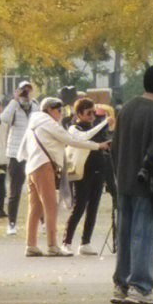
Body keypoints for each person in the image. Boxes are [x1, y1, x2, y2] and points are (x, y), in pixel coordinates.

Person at [110, 62, 153, 304]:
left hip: (124, 181)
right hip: (145, 185)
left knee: (125, 234)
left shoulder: (126, 109)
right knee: (145, 235)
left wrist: (120, 173)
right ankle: (141, 285)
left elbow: (115, 147)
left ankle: (121, 284)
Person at [19, 95, 110, 256]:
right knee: (50, 206)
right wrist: (97, 146)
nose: (60, 113)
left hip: (31, 167)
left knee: (35, 208)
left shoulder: (34, 123)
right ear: (49, 110)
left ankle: (30, 244)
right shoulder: (48, 123)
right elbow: (72, 140)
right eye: (58, 110)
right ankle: (52, 245)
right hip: (44, 166)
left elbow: (23, 148)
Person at [63, 97, 114, 254]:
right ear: (78, 114)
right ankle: (67, 241)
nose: (92, 116)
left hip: (98, 171)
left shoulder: (97, 129)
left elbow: (103, 143)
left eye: (93, 113)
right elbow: (84, 138)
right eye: (88, 113)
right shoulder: (74, 129)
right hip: (82, 172)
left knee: (93, 207)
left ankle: (86, 242)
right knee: (79, 206)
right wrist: (104, 123)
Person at [1, 79, 36, 234]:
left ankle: (40, 222)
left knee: (37, 189)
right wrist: (14, 101)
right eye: (23, 90)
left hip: (32, 152)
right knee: (14, 190)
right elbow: (4, 119)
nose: (25, 93)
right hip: (15, 153)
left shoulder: (36, 106)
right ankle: (12, 223)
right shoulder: (14, 106)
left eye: (28, 90)